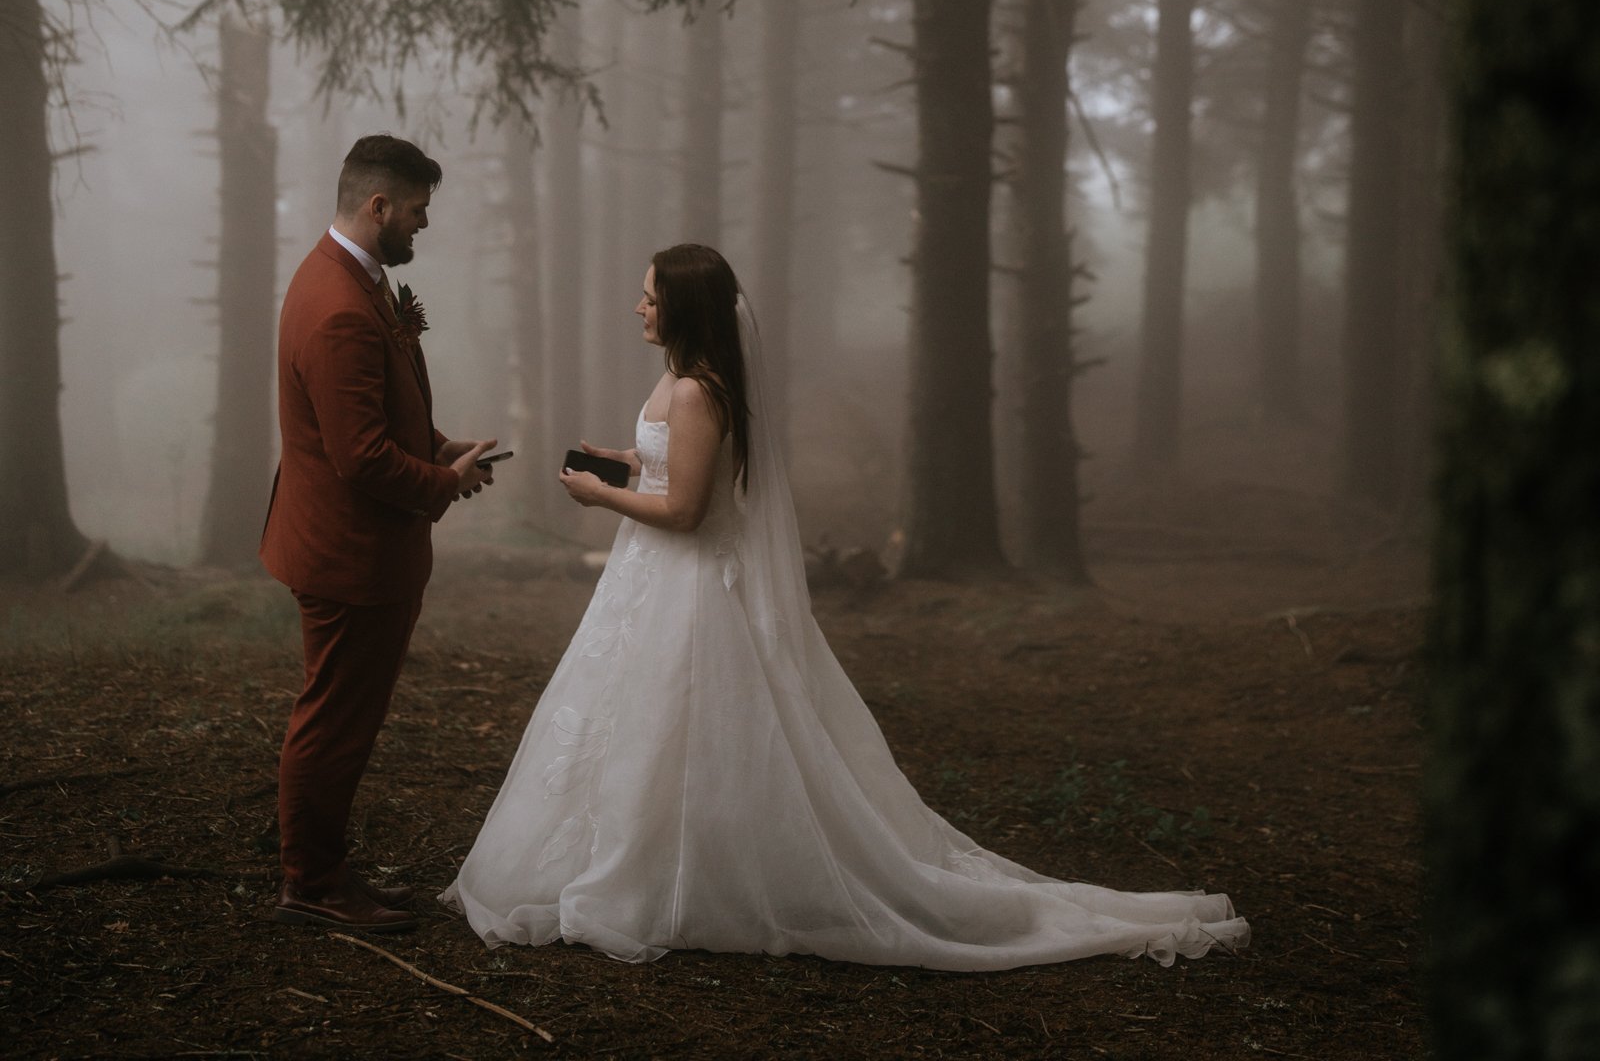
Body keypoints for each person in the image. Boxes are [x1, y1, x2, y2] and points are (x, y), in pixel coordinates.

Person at [443, 243, 1248, 971]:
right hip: (655, 580)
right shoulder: (682, 382)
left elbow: (688, 512)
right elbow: (685, 474)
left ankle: (680, 874)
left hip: (685, 584)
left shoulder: (695, 391)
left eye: (651, 296)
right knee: (649, 728)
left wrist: (598, 496)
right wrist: (625, 463)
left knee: (676, 723)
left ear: (683, 307)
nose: (639, 306)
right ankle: (664, 858)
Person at [261, 133, 499, 933]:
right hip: (349, 554)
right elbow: (359, 458)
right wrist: (446, 483)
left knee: (340, 716)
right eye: (418, 212)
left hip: (356, 546)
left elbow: (368, 420)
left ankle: (319, 871)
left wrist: (436, 448)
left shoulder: (352, 283)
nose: (422, 227)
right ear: (378, 206)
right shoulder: (336, 307)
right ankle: (314, 884)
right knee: (333, 720)